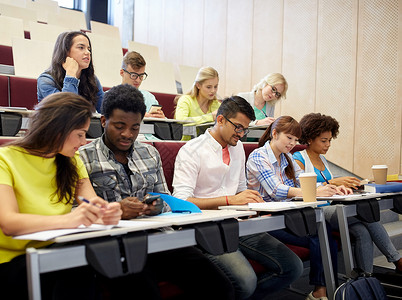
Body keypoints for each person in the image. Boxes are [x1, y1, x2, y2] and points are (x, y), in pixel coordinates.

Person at [79, 83, 235, 300]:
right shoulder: (83, 156)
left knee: (221, 289)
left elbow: (167, 201)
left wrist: (156, 206)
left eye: (135, 127)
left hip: (158, 238)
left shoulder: (150, 153)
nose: (127, 134)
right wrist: (117, 211)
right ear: (104, 121)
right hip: (114, 245)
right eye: (119, 126)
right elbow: (76, 211)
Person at [0, 92, 122, 300]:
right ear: (57, 130)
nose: (84, 141)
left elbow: (90, 205)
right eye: (80, 134)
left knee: (94, 266)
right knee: (77, 273)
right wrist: (68, 220)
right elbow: (8, 223)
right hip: (4, 262)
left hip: (53, 253)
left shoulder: (71, 160)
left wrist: (105, 214)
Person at [172, 96, 303, 300]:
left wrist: (252, 201)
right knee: (245, 281)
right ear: (221, 120)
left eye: (245, 129)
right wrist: (228, 200)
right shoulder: (192, 151)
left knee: (293, 267)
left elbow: (241, 190)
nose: (241, 134)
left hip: (237, 223)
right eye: (238, 127)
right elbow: (181, 202)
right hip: (206, 228)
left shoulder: (238, 148)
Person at [246, 116, 344, 300]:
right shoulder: (259, 156)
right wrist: (308, 191)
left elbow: (304, 179)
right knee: (320, 234)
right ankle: (320, 292)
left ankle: (322, 291)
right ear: (274, 134)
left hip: (286, 216)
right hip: (265, 219)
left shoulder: (286, 157)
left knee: (324, 233)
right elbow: (275, 190)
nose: (293, 143)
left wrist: (329, 188)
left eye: (296, 140)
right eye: (289, 138)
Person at [294, 112, 402, 274]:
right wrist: (331, 183)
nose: (328, 145)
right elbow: (301, 188)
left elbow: (330, 187)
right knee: (366, 214)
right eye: (324, 141)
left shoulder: (322, 159)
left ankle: (366, 278)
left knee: (362, 231)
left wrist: (347, 187)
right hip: (314, 211)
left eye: (330, 140)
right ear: (309, 139)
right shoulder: (298, 158)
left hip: (332, 208)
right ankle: (396, 259)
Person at [37, 31, 104, 113]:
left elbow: (104, 110)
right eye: (81, 48)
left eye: (89, 49)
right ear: (66, 52)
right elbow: (67, 111)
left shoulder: (92, 79)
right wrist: (71, 75)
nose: (88, 52)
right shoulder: (46, 80)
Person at [174, 66, 221, 140]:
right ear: (198, 85)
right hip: (187, 145)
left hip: (210, 146)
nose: (213, 91)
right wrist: (210, 117)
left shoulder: (217, 105)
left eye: (215, 86)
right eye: (209, 87)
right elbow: (181, 120)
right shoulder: (185, 100)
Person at [121, 51, 165, 119]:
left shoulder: (149, 98)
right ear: (122, 72)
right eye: (134, 75)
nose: (138, 80)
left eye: (141, 76)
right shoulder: (110, 97)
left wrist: (162, 119)